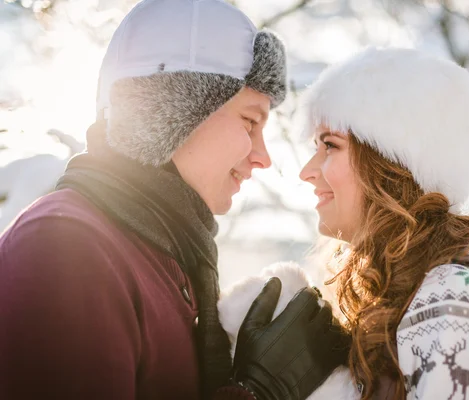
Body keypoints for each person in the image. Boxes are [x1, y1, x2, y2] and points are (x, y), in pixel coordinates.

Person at [0, 0, 348, 399]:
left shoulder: (162, 256)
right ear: (172, 113)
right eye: (250, 122)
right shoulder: (65, 248)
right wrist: (257, 392)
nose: (262, 157)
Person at [298, 47, 469, 399]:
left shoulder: (450, 294)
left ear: (390, 163)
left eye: (330, 146)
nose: (307, 172)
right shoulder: (410, 286)